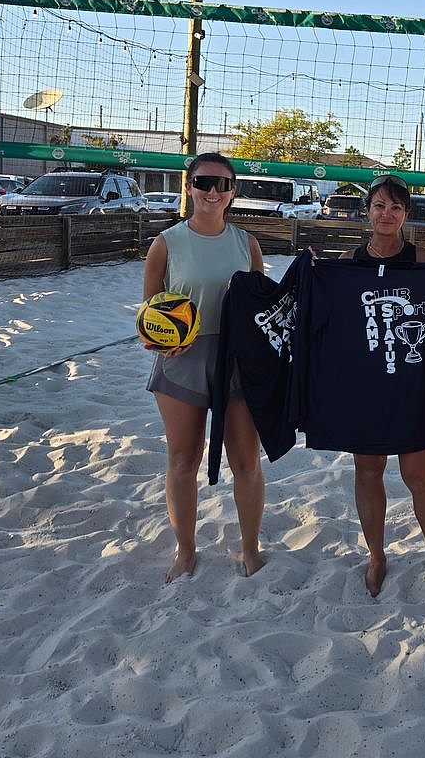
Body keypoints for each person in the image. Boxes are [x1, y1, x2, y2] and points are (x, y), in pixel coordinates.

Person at [143, 153, 267, 583]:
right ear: (189, 186)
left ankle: (250, 549)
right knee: (183, 461)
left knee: (246, 461)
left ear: (233, 192)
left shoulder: (246, 243)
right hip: (184, 356)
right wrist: (157, 339)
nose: (212, 191)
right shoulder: (166, 243)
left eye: (222, 184)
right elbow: (148, 312)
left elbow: (260, 306)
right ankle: (186, 549)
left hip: (237, 359)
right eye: (203, 182)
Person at [340, 174, 425, 596]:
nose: (386, 214)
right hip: (363, 383)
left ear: (406, 214)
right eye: (379, 205)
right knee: (368, 469)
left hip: (410, 383)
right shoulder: (349, 260)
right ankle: (377, 557)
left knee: (420, 474)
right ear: (367, 212)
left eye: (395, 207)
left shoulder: (420, 258)